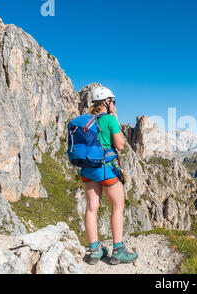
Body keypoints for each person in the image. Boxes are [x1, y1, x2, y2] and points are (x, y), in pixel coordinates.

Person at [82, 86, 138, 265]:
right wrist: (119, 132)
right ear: (106, 102)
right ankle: (118, 250)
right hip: (107, 168)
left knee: (92, 207)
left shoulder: (86, 120)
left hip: (88, 169)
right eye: (113, 101)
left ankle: (95, 250)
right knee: (117, 206)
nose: (114, 104)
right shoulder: (110, 120)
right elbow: (120, 145)